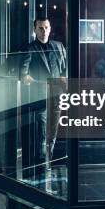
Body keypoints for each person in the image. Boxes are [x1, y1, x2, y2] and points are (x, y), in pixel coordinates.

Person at [19, 17, 67, 179]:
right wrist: (26, 77)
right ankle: (41, 161)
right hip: (40, 96)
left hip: (56, 94)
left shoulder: (59, 46)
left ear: (50, 27)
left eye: (46, 27)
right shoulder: (30, 48)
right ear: (35, 30)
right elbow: (23, 72)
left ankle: (48, 160)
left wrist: (64, 79)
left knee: (53, 129)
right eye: (40, 28)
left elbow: (66, 68)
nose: (44, 31)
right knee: (42, 130)